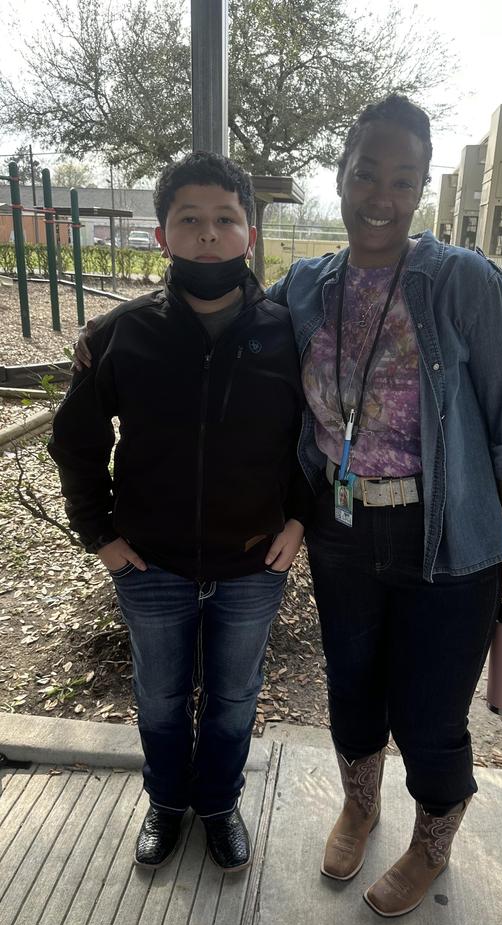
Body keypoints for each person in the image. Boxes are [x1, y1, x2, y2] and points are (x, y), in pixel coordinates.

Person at [74, 96, 502, 918]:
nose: (381, 195)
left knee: (431, 714)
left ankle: (430, 845)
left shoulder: (466, 284)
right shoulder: (309, 285)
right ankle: (360, 806)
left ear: (421, 187)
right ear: (341, 175)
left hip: (447, 538)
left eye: (402, 179)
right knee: (353, 689)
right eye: (366, 173)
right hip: (343, 531)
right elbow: (226, 314)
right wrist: (106, 333)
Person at [50, 151, 310, 874]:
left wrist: (298, 522)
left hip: (252, 564)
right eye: (189, 220)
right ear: (162, 235)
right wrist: (99, 535)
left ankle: (219, 805)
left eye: (226, 219)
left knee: (234, 697)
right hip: (151, 563)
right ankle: (166, 803)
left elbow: (314, 441)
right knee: (161, 698)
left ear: (250, 232)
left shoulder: (287, 335)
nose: (209, 234)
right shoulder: (120, 335)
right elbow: (75, 441)